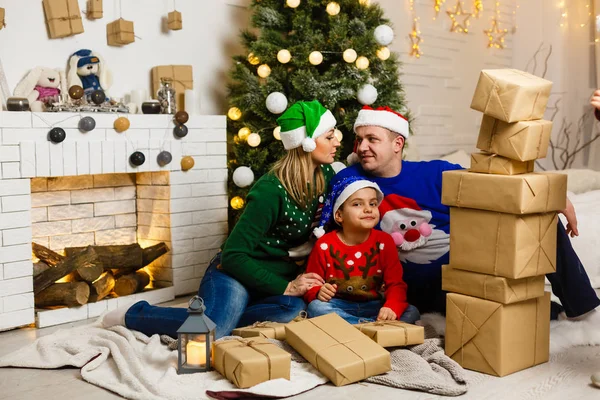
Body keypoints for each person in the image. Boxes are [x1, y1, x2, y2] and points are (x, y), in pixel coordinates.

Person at [332, 105, 600, 324]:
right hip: (413, 288)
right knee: (503, 312)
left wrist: (553, 196)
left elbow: (495, 185)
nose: (362, 147)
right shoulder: (350, 180)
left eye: (372, 139)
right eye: (360, 139)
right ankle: (539, 310)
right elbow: (329, 230)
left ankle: (581, 308)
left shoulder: (435, 172)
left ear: (397, 143)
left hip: (465, 270)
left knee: (542, 223)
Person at [102, 100, 340, 338]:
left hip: (273, 276)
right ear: (307, 143)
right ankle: (135, 314)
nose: (337, 142)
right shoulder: (271, 191)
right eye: (329, 137)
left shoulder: (326, 174)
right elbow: (233, 256)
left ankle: (226, 313)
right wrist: (286, 287)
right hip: (235, 272)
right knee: (211, 330)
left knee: (293, 307)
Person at [304, 176, 420, 324]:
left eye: (373, 203)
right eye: (357, 204)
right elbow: (310, 284)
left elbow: (396, 283)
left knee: (412, 311)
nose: (368, 209)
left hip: (373, 306)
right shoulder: (324, 244)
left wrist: (391, 307)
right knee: (316, 308)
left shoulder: (384, 241)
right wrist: (319, 291)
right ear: (339, 215)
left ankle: (356, 326)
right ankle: (369, 327)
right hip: (338, 306)